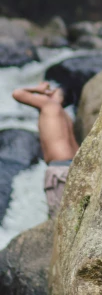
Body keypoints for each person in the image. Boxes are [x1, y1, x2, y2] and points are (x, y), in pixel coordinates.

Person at [12, 82, 79, 219]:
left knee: (59, 218)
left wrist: (37, 89)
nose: (47, 92)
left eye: (52, 91)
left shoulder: (50, 105)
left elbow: (17, 93)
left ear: (59, 97)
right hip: (73, 167)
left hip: (59, 170)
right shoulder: (65, 117)